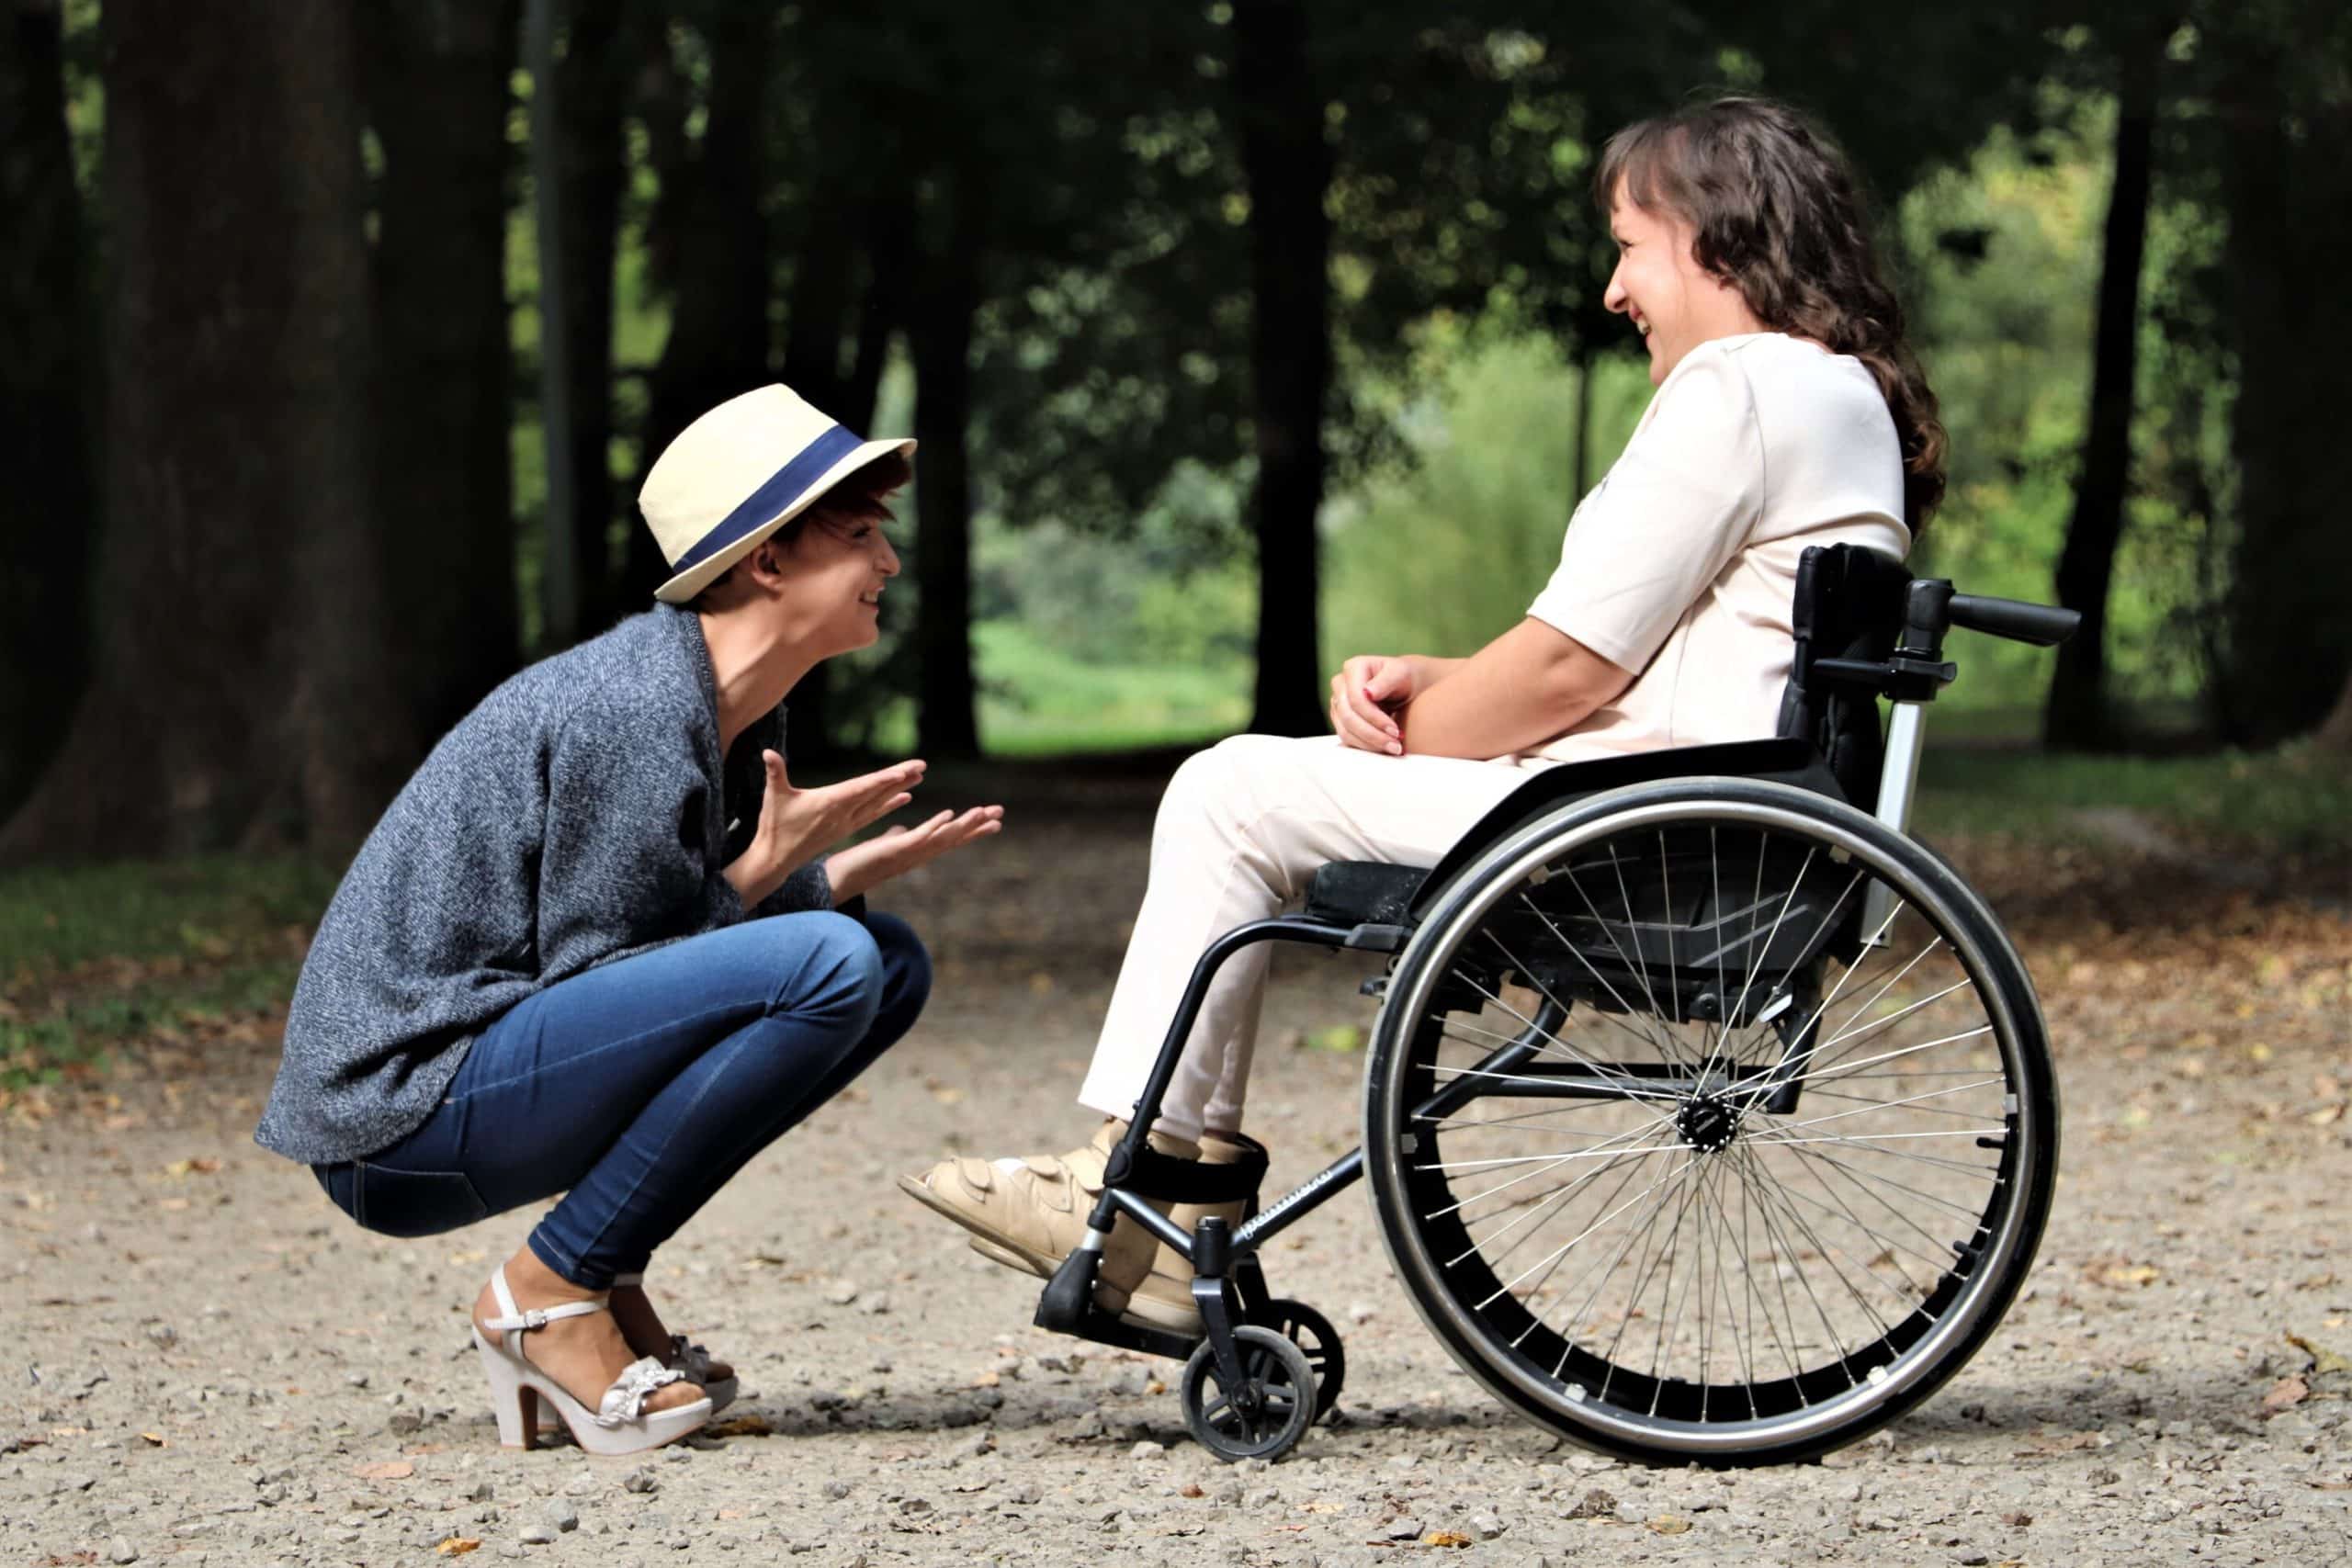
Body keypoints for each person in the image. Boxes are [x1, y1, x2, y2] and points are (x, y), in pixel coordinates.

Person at [900, 95, 1943, 1335]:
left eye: (1627, 245)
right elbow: (1638, 661)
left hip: (1643, 831)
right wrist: (1433, 679)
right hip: (1708, 815)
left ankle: (1153, 1205)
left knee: (1231, 789)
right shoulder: (1839, 397)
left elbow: (1567, 676)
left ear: (1715, 235)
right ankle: (1159, 1193)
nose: (1615, 291)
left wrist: (1416, 723)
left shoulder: (1745, 385)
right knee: (1257, 781)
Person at [255, 384, 1002, 1455]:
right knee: (837, 961)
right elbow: (607, 973)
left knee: (883, 961)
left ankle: (592, 1271)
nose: (887, 563)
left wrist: (817, 879)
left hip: (489, 1067)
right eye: (859, 534)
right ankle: (548, 1295)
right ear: (768, 562)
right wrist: (772, 876)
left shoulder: (719, 704)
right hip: (399, 1112)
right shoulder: (634, 707)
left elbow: (654, 962)